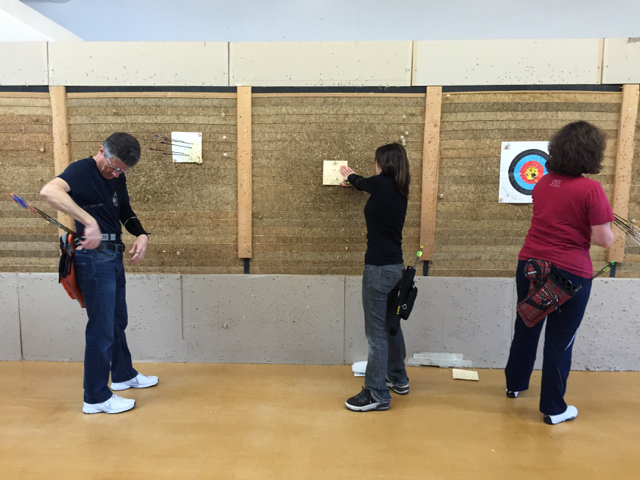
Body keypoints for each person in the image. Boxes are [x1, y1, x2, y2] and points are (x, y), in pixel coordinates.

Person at [504, 121, 614, 425]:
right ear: (592, 153)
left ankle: (515, 384)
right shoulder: (591, 189)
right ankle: (554, 408)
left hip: (530, 265)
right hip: (569, 272)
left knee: (527, 324)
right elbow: (603, 240)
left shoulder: (542, 182)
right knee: (560, 339)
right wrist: (606, 222)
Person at [40, 132, 158, 414]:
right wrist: (88, 220)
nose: (115, 174)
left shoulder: (118, 176)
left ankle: (123, 374)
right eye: (114, 167)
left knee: (117, 320)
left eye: (122, 171)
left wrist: (142, 234)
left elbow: (124, 210)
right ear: (101, 151)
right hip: (93, 258)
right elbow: (49, 192)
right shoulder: (81, 170)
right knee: (101, 328)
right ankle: (95, 397)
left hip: (113, 255)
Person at [340, 143, 411, 412]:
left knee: (376, 334)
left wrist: (349, 176)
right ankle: (398, 379)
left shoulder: (381, 184)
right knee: (391, 326)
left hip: (378, 270)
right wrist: (354, 182)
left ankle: (377, 393)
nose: (375, 164)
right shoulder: (399, 188)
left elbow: (362, 182)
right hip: (395, 269)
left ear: (384, 163)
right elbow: (365, 185)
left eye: (377, 160)